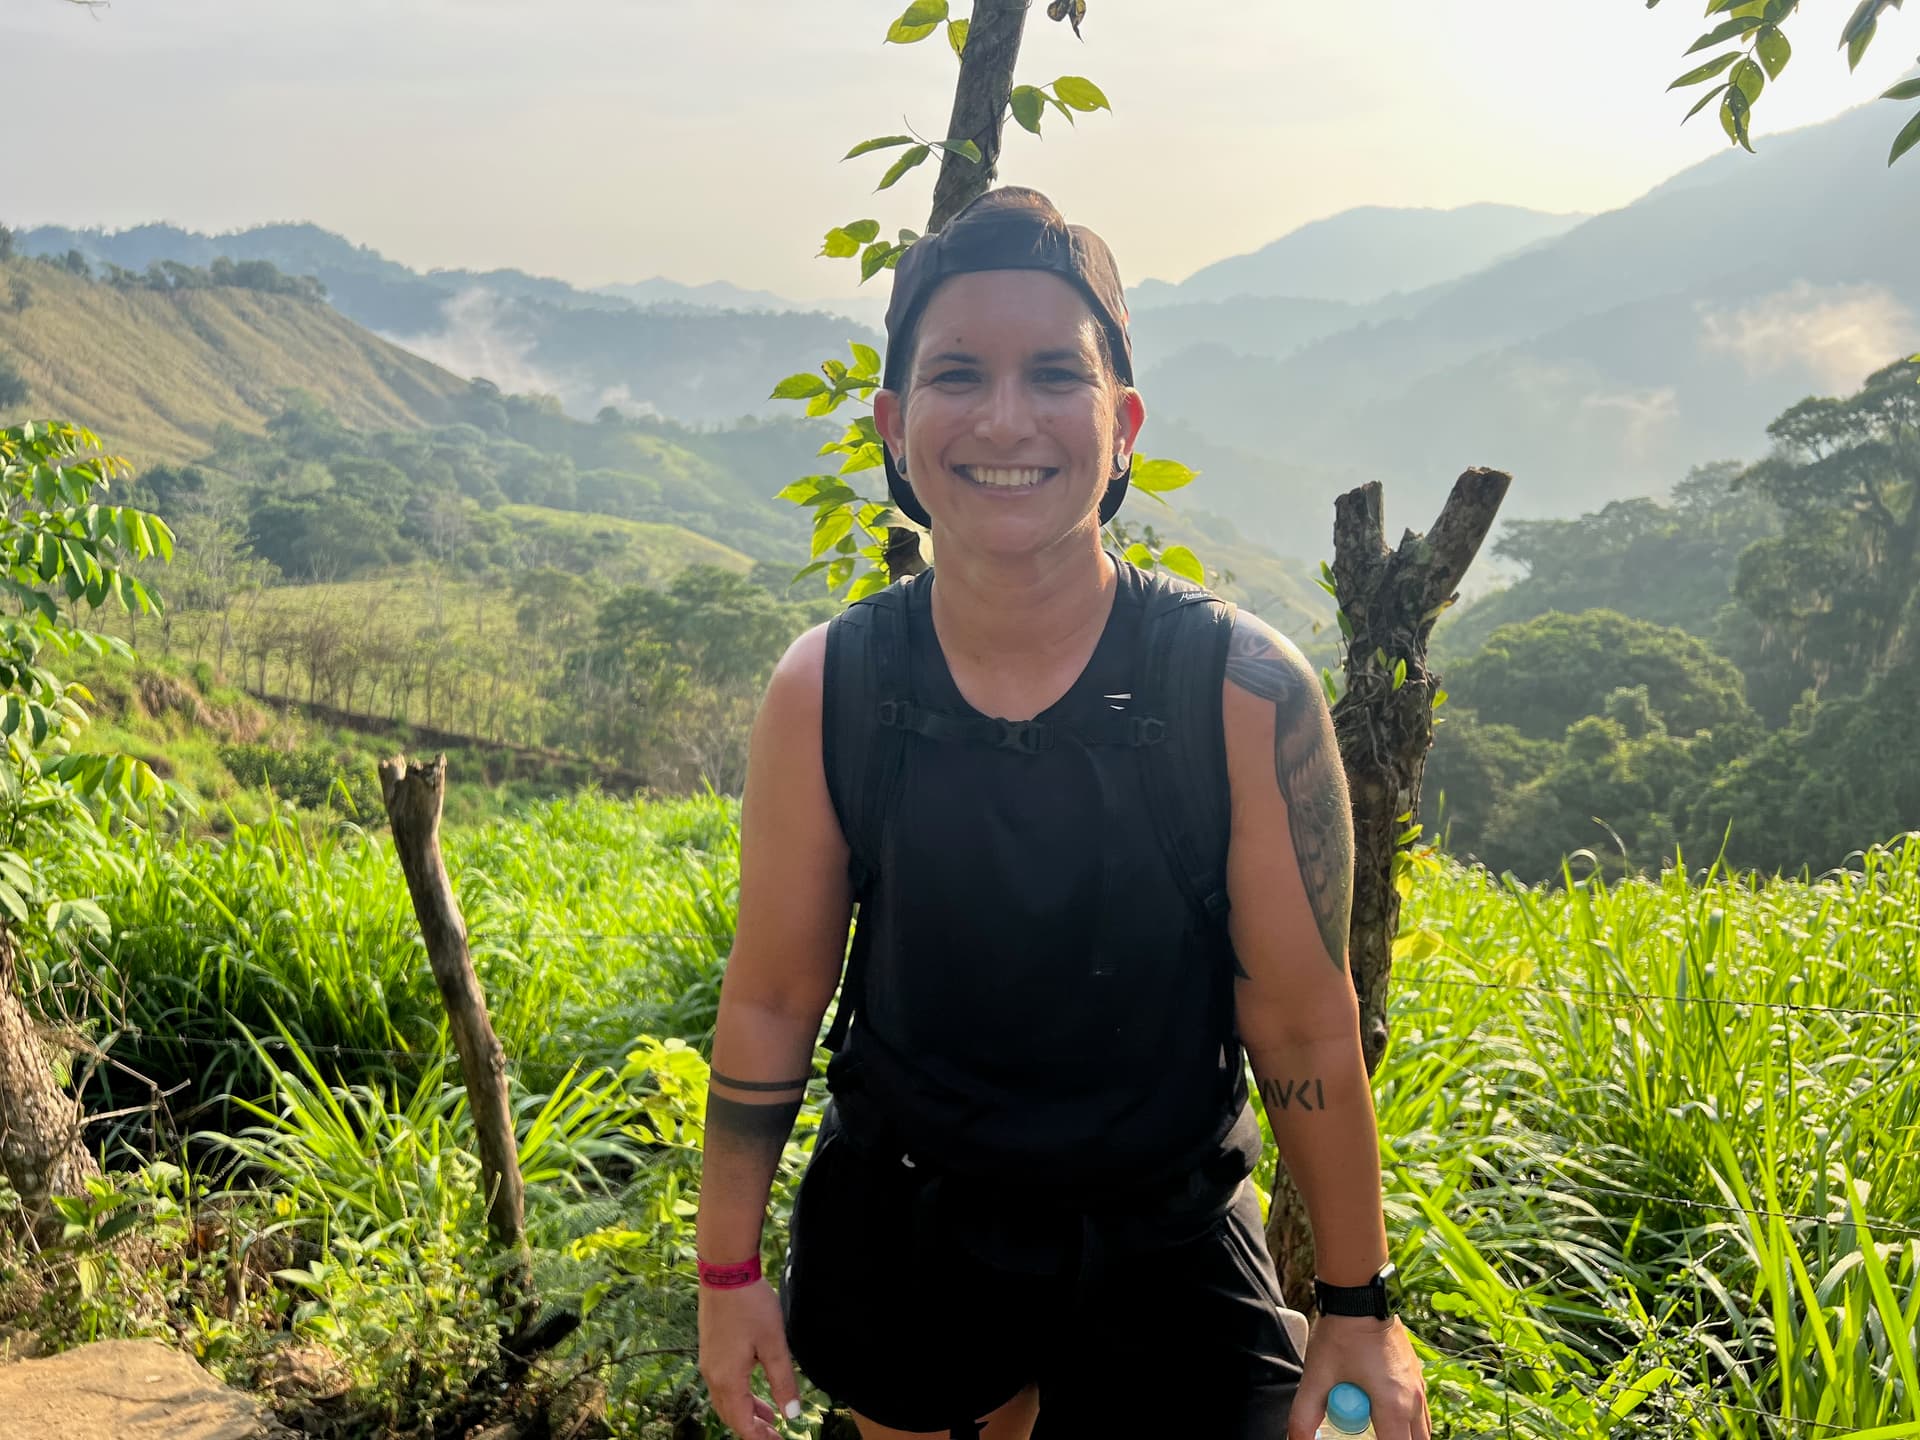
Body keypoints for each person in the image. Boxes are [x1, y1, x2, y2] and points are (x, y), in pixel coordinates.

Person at [695, 187, 1430, 1440]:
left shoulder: (1238, 692)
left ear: (1123, 425)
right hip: (911, 1225)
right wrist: (727, 1273)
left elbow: (1306, 1027)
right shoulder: (832, 688)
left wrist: (1357, 1306)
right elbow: (771, 997)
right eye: (957, 374)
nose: (1004, 419)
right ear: (893, 426)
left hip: (1167, 1234)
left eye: (1054, 374)